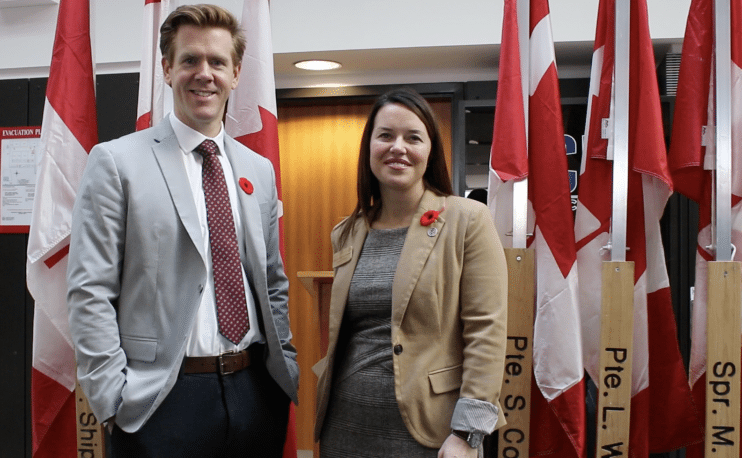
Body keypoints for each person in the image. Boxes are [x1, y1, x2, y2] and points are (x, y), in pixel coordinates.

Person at [66, 5, 298, 457]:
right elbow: (89, 290)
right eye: (190, 60)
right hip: (158, 402)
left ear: (235, 74)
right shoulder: (117, 163)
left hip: (255, 393)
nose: (203, 74)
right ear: (168, 69)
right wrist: (112, 399)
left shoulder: (259, 171)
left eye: (217, 62)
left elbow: (272, 282)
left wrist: (282, 366)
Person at [314, 88, 508, 458]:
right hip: (345, 423)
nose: (397, 147)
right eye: (385, 135)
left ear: (430, 149)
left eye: (412, 137)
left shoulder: (466, 220)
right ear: (369, 146)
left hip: (431, 431)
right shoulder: (348, 231)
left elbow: (487, 330)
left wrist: (468, 433)